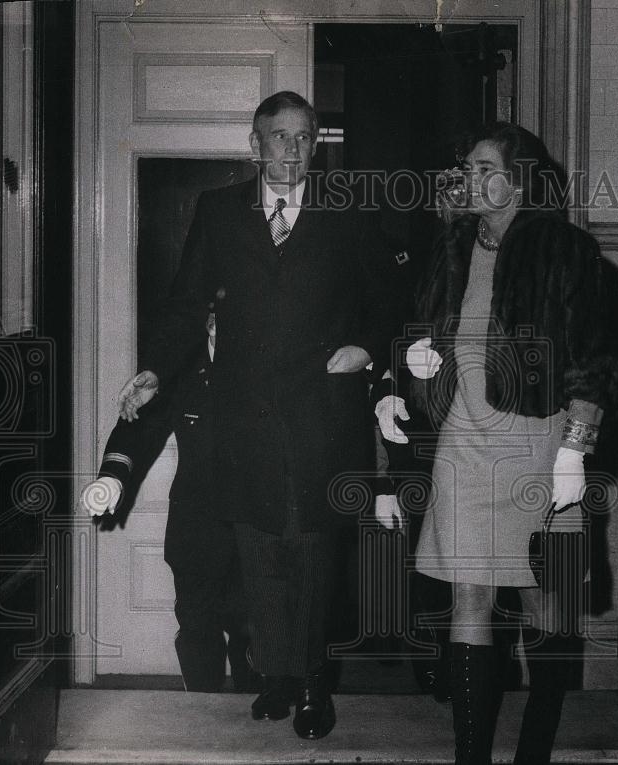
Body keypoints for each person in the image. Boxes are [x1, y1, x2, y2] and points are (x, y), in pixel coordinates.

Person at [117, 91, 399, 739]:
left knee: (312, 552)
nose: (293, 150)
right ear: (255, 144)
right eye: (280, 137)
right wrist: (155, 370)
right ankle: (277, 675)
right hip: (243, 419)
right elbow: (187, 306)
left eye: (304, 138)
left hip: (321, 417)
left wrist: (367, 347)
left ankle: (315, 683)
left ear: (315, 144)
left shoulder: (347, 212)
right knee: (260, 549)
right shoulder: (219, 211)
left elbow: (390, 298)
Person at [376, 122, 618, 765]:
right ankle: (470, 757)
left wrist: (576, 448)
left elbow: (596, 360)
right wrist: (415, 366)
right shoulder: (453, 245)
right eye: (469, 168)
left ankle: (534, 749)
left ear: (520, 181)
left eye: (487, 168)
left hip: (540, 444)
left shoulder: (565, 249)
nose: (472, 179)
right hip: (464, 441)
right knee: (469, 593)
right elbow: (425, 329)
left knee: (547, 598)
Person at [81, 314, 257, 693]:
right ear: (210, 322)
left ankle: (254, 707)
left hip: (255, 523)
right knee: (196, 627)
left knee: (254, 629)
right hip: (195, 524)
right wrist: (113, 475)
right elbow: (137, 425)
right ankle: (200, 708)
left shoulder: (265, 362)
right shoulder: (179, 370)